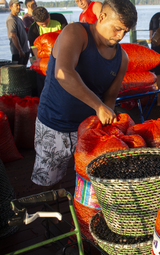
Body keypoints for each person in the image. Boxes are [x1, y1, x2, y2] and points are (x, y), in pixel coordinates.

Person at [31, 0, 137, 189]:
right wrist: (98, 107)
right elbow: (63, 73)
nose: (120, 36)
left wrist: (106, 121)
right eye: (117, 29)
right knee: (46, 184)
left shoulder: (122, 58)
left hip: (89, 131)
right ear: (102, 17)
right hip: (54, 125)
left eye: (125, 32)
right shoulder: (75, 33)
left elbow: (110, 96)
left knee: (88, 185)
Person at [28, 6, 68, 96]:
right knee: (42, 79)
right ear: (35, 21)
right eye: (41, 24)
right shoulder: (33, 30)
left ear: (48, 15)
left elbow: (67, 36)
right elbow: (35, 49)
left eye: (46, 22)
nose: (44, 25)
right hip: (45, 59)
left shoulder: (59, 19)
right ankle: (42, 97)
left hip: (61, 55)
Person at [6, 0, 30, 65]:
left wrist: (27, 48)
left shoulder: (18, 19)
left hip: (25, 50)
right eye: (16, 5)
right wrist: (20, 50)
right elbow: (13, 35)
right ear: (10, 7)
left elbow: (24, 34)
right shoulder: (11, 19)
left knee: (24, 70)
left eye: (19, 5)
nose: (19, 7)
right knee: (19, 72)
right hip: (18, 52)